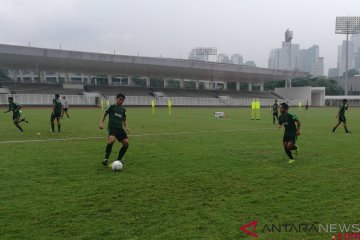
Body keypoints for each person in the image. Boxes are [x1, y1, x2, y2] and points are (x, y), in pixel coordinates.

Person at [99, 94, 131, 166]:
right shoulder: (111, 107)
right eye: (120, 99)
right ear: (116, 99)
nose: (121, 101)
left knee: (126, 143)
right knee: (111, 140)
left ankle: (119, 159)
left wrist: (126, 127)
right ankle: (106, 159)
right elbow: (104, 114)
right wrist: (101, 123)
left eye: (122, 100)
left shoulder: (123, 109)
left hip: (120, 128)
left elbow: (124, 119)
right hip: (112, 127)